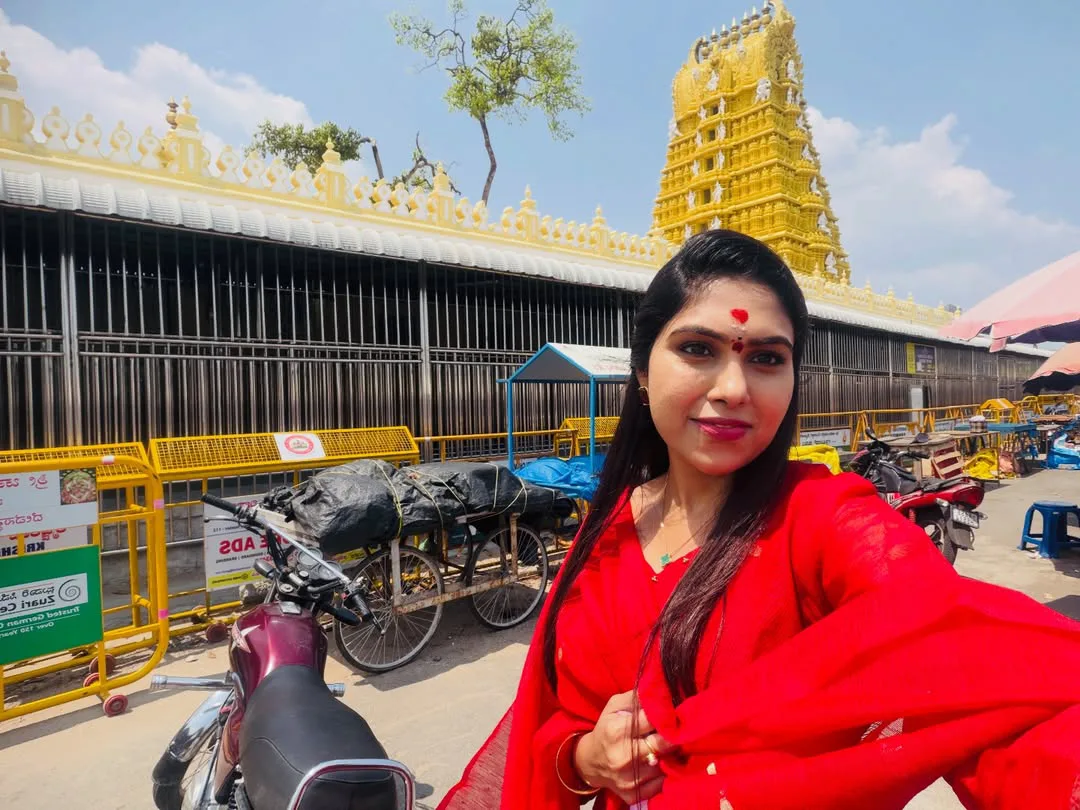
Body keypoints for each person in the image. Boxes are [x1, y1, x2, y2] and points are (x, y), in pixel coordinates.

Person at [438, 230, 1080, 810]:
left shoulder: (822, 519)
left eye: (767, 359)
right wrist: (589, 759)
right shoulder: (602, 538)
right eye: (698, 349)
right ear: (640, 371)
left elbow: (975, 658)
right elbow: (549, 726)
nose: (735, 388)